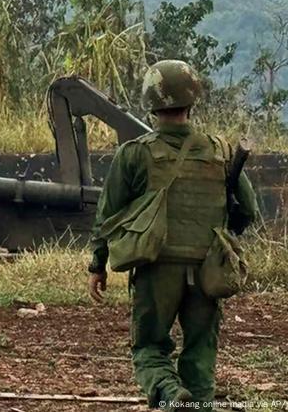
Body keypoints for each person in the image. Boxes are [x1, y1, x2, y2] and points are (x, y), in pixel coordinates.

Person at [87, 60, 259, 407]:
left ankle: (167, 391)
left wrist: (97, 265)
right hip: (208, 268)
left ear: (150, 103)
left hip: (157, 265)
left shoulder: (135, 154)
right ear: (192, 100)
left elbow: (108, 215)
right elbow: (250, 209)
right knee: (200, 354)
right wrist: (224, 234)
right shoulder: (221, 151)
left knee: (149, 346)